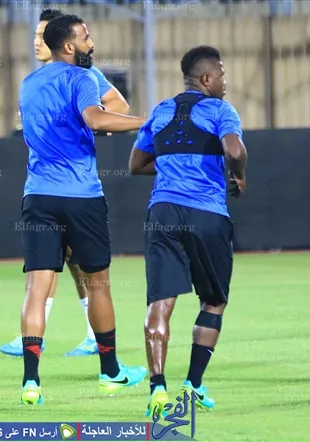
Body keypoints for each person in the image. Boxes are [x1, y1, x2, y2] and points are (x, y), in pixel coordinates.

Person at [17, 14, 148, 405]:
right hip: (80, 195)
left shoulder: (29, 83)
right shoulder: (83, 78)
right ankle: (110, 373)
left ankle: (30, 382)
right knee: (98, 284)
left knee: (37, 289)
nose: (92, 43)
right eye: (86, 37)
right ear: (69, 45)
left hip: (38, 195)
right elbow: (94, 118)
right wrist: (148, 122)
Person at [0, 8, 132, 359]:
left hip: (53, 189)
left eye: (41, 35)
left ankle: (39, 358)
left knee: (53, 270)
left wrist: (96, 124)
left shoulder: (84, 75)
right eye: (35, 35)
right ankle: (100, 355)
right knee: (73, 268)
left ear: (60, 42)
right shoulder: (38, 81)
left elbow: (115, 107)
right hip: (70, 189)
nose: (36, 41)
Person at [128, 45, 247, 417]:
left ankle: (157, 389)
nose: (225, 82)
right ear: (207, 78)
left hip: (163, 213)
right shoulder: (221, 110)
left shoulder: (161, 111)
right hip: (207, 214)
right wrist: (238, 174)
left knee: (160, 302)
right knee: (213, 301)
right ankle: (193, 384)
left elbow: (136, 164)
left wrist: (170, 166)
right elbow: (235, 150)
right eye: (222, 75)